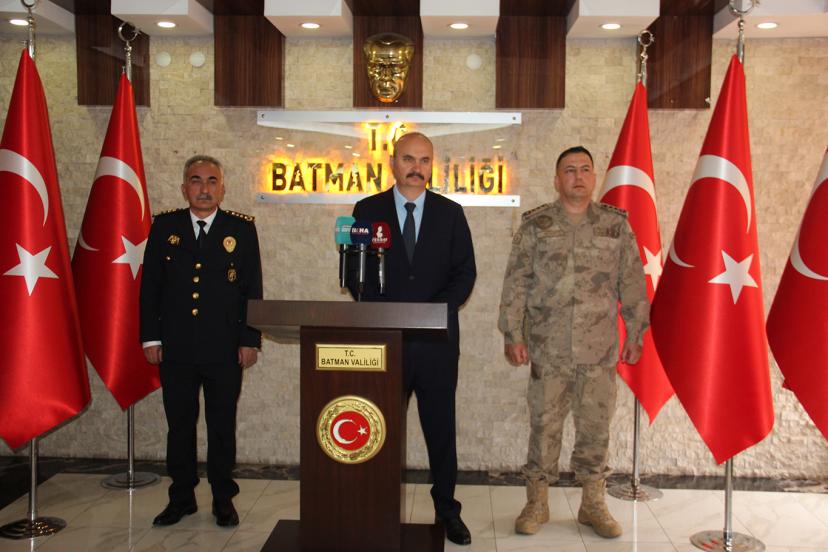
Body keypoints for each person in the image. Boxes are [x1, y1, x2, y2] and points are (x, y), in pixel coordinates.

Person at [498, 146, 649, 539]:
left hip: (599, 350)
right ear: (557, 179)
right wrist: (513, 334)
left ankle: (593, 503)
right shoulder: (537, 225)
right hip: (548, 349)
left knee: (596, 428)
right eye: (569, 170)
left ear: (594, 177)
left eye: (584, 169)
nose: (577, 176)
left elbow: (633, 283)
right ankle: (537, 502)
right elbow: (516, 283)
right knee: (543, 427)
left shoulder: (615, 226)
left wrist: (636, 333)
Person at [347, 132, 476, 545]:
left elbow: (465, 273)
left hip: (437, 343)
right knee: (381, 429)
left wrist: (432, 312)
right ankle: (377, 506)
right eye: (408, 159)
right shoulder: (366, 210)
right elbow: (354, 274)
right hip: (386, 342)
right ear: (392, 163)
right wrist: (386, 311)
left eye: (423, 160)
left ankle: (447, 510)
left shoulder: (451, 213)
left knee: (441, 431)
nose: (416, 167)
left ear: (431, 165)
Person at [140, 155, 262, 528]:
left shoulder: (241, 229)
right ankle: (181, 497)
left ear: (222, 189)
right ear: (184, 188)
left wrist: (250, 339)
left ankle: (223, 498)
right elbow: (151, 288)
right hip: (176, 347)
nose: (204, 189)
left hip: (224, 348)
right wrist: (150, 337)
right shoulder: (165, 227)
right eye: (196, 180)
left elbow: (251, 288)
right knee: (179, 426)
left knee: (221, 424)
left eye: (212, 181)